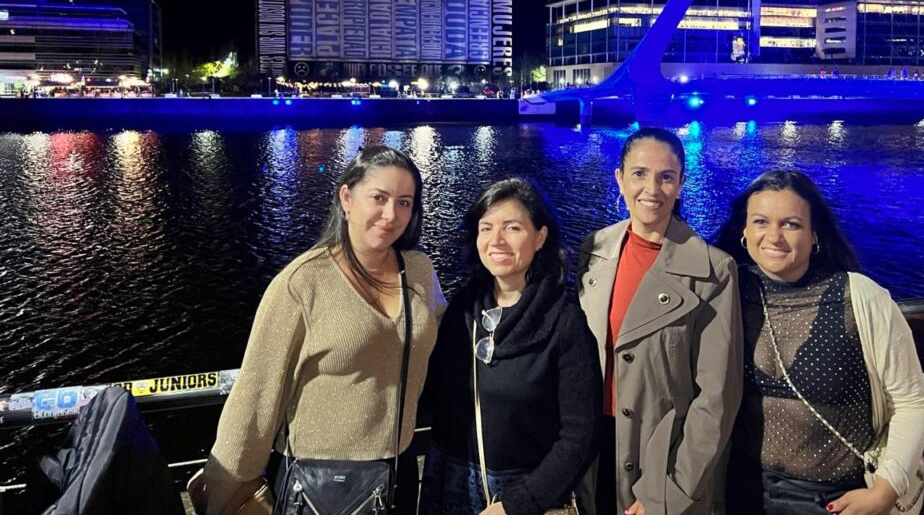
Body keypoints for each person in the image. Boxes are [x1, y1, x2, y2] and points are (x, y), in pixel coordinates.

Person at [201, 145, 446, 515]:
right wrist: (226, 489)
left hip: (398, 468)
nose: (391, 214)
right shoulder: (303, 283)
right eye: (378, 198)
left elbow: (448, 332)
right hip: (319, 481)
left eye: (404, 202)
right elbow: (257, 393)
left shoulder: (419, 271)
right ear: (347, 198)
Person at [713, 170, 924, 515]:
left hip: (833, 499)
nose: (774, 236)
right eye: (760, 222)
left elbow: (912, 402)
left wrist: (884, 491)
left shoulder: (858, 298)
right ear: (744, 231)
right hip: (742, 486)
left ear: (815, 235)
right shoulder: (727, 291)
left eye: (791, 224)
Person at [576, 127, 742, 515]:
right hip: (592, 450)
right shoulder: (595, 250)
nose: (652, 188)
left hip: (659, 459)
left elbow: (717, 397)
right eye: (639, 174)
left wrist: (669, 491)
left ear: (681, 183)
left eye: (666, 176)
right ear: (620, 179)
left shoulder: (713, 271)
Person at [420, 178, 602, 515]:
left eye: (512, 228)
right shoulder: (463, 310)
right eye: (486, 228)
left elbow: (581, 435)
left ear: (540, 237)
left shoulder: (564, 323)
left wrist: (517, 504)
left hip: (523, 499)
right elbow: (430, 395)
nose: (496, 240)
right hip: (448, 487)